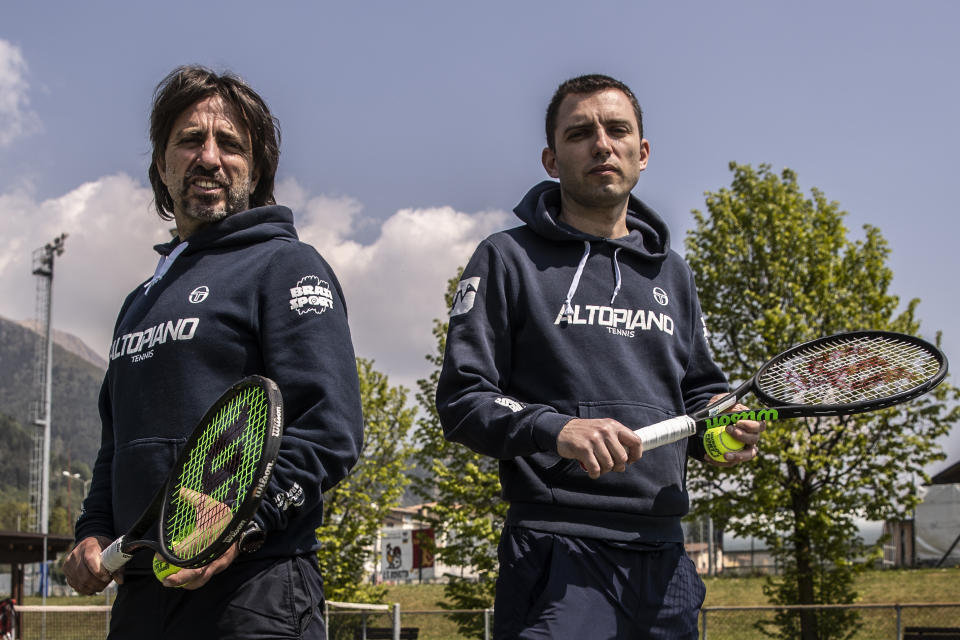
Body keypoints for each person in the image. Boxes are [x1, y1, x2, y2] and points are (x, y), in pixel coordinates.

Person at [436, 74, 764, 639]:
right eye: (580, 133)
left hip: (664, 553)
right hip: (557, 546)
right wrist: (557, 429)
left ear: (643, 153)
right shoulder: (505, 258)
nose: (602, 144)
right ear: (551, 158)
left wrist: (724, 432)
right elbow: (463, 400)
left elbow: (700, 396)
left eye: (617, 130)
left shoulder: (673, 273)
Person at [63, 66, 364, 639]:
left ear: (257, 168)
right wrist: (95, 529)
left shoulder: (287, 266)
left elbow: (331, 431)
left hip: (256, 589)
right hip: (142, 598)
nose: (209, 157)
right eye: (189, 140)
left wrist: (238, 526)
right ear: (161, 164)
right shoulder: (139, 301)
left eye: (230, 143)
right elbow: (117, 445)